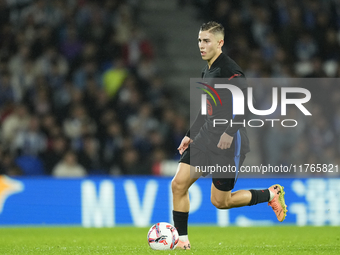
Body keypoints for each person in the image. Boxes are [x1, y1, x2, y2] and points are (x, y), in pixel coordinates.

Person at [171, 21, 287, 250]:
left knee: (220, 202)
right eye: (199, 41)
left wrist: (229, 131)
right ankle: (182, 240)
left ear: (220, 43)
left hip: (229, 142)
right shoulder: (208, 69)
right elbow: (206, 109)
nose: (201, 46)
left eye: (206, 41)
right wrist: (189, 135)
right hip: (205, 138)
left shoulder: (230, 70)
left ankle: (270, 194)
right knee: (178, 184)